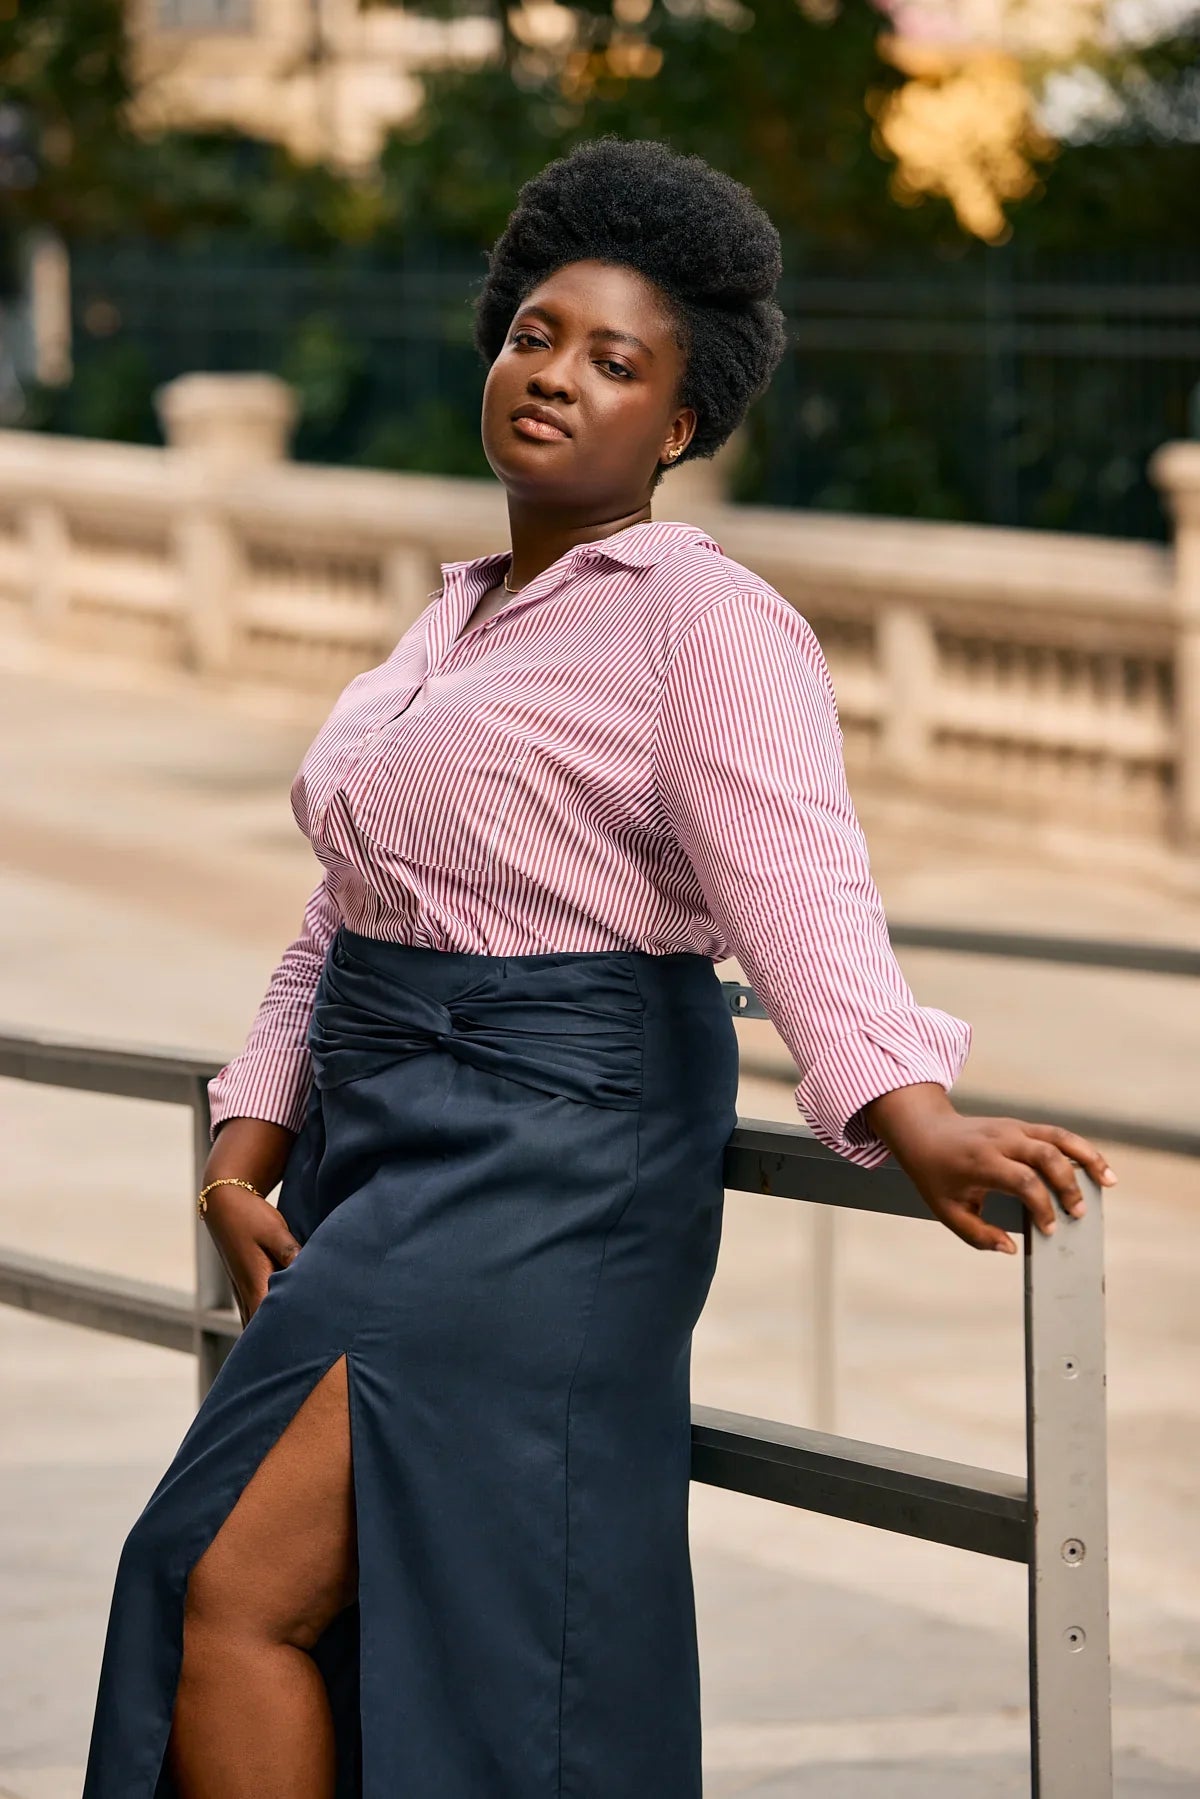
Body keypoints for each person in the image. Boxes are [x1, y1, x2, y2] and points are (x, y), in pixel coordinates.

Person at [82, 137, 1116, 1799]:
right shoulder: (458, 617)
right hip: (384, 1145)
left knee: (248, 1588)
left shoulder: (699, 620)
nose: (555, 376)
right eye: (536, 335)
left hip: (552, 1155)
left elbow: (796, 878)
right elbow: (348, 898)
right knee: (261, 1592)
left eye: (614, 362)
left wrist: (905, 1109)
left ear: (683, 423)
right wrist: (247, 1128)